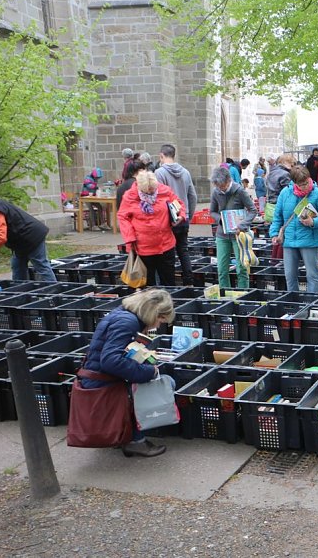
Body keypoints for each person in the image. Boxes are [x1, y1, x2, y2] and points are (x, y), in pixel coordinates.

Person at [80, 289, 175, 458]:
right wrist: (149, 372)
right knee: (166, 383)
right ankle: (135, 441)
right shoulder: (128, 322)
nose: (159, 325)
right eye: (160, 319)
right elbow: (110, 361)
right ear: (153, 312)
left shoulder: (124, 314)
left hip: (97, 378)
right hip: (101, 383)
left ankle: (126, 436)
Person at [118, 170, 185, 286]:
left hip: (165, 245)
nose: (150, 193)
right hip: (143, 248)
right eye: (147, 191)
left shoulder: (165, 191)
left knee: (169, 282)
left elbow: (179, 204)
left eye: (153, 190)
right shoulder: (130, 196)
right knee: (148, 285)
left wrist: (180, 216)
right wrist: (130, 237)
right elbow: (122, 217)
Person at [270, 165, 318, 293]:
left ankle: (311, 301)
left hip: (309, 241)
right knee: (290, 276)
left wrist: (313, 222)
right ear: (294, 182)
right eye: (301, 184)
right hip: (289, 241)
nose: (305, 186)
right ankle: (293, 301)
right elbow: (277, 217)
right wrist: (274, 234)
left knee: (312, 275)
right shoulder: (285, 193)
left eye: (306, 182)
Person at [154, 143, 197, 287]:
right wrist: (188, 215)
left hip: (168, 221)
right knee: (183, 250)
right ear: (174, 155)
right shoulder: (185, 172)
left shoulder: (159, 173)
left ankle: (171, 284)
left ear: (161, 156)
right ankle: (189, 282)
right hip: (183, 218)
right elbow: (192, 196)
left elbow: (159, 199)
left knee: (169, 254)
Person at [209, 166, 257, 289]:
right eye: (217, 186)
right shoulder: (215, 192)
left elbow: (252, 210)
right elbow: (212, 211)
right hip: (222, 234)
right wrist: (221, 219)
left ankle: (243, 294)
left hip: (239, 235)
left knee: (241, 268)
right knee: (222, 269)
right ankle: (225, 294)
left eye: (222, 186)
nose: (220, 189)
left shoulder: (240, 191)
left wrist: (242, 225)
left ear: (228, 180)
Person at [0, 199, 57, 282]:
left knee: (41, 265)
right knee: (18, 266)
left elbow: (0, 236)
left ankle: (54, 288)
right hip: (19, 240)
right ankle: (20, 288)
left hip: (32, 236)